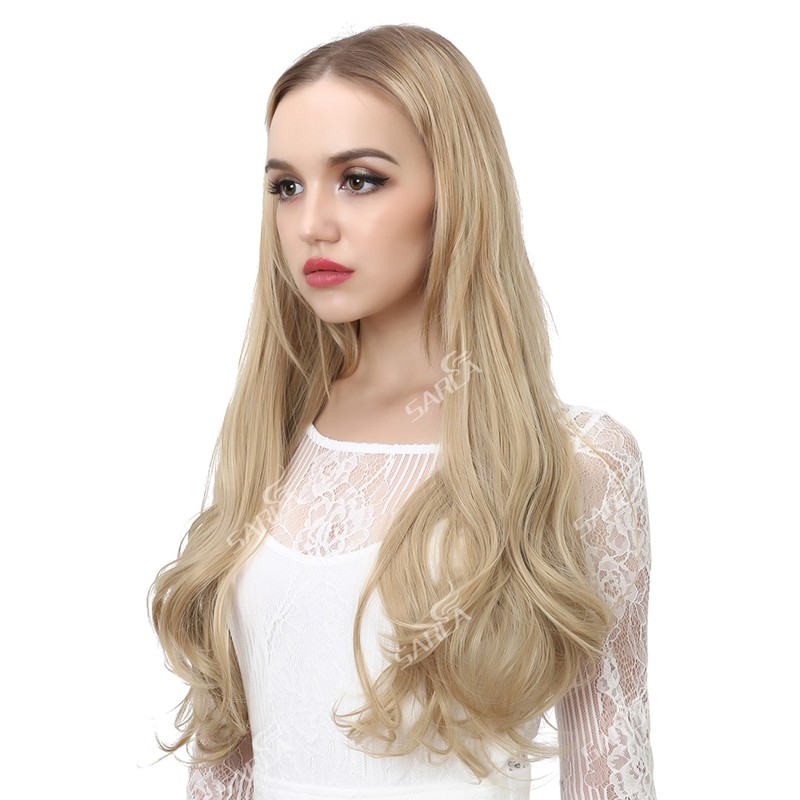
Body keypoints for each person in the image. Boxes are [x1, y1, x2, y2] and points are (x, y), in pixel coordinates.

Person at [148, 23, 657, 800]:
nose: (311, 224)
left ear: (455, 189)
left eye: (358, 179)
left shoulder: (576, 461)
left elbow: (607, 767)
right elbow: (227, 759)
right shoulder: (274, 441)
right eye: (286, 186)